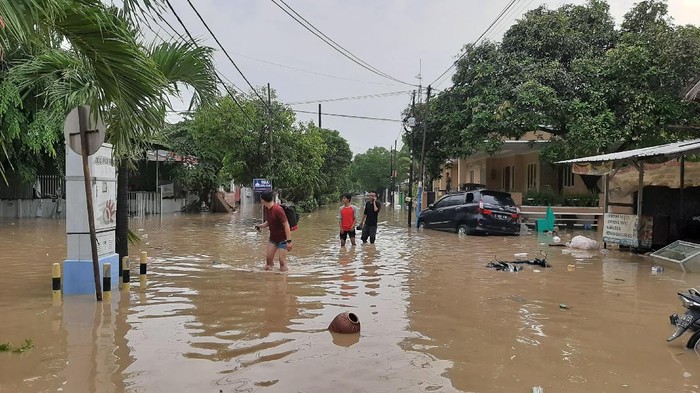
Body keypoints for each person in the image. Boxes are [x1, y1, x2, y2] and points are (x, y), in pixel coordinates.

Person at [254, 191, 293, 271]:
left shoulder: (278, 210)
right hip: (273, 239)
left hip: (283, 239)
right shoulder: (266, 208)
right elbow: (269, 221)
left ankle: (283, 280)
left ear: (263, 200)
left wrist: (289, 241)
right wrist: (261, 226)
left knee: (282, 261)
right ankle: (270, 279)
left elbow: (286, 225)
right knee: (268, 260)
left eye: (261, 199)